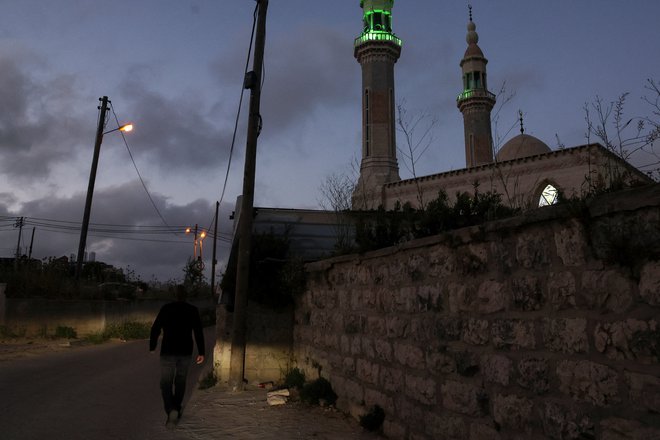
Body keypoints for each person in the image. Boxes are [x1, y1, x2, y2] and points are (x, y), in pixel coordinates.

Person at [149, 285, 205, 428]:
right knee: (180, 381)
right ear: (186, 296)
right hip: (185, 350)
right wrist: (202, 352)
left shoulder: (166, 309)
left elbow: (155, 328)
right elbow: (198, 331)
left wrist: (152, 346)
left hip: (168, 350)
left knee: (165, 383)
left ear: (173, 296)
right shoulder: (192, 310)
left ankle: (171, 409)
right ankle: (177, 407)